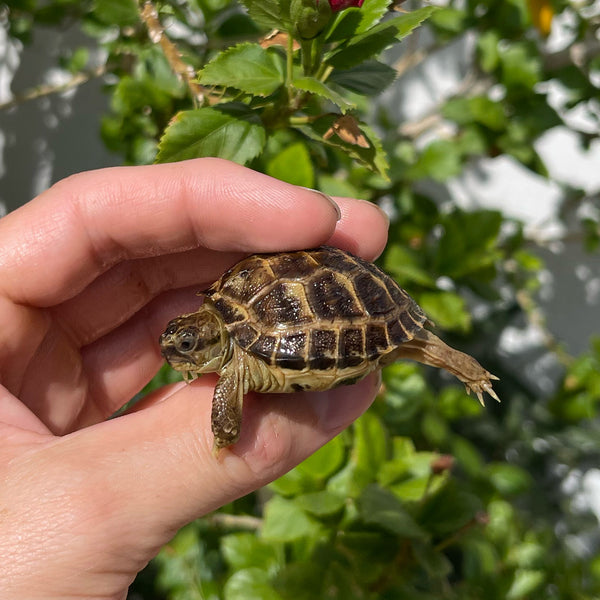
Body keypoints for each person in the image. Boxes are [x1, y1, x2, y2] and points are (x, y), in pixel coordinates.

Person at [0, 158, 389, 599]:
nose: (174, 353)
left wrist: (223, 440)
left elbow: (227, 397)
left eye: (188, 347)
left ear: (208, 341)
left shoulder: (234, 358)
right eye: (178, 345)